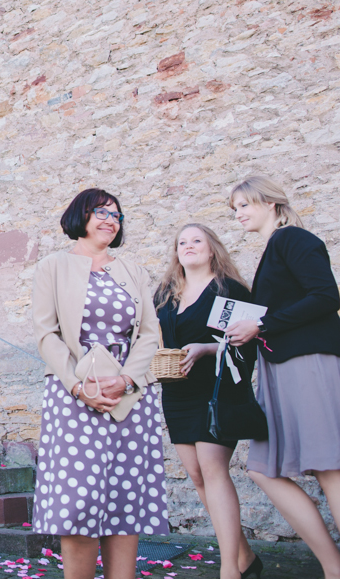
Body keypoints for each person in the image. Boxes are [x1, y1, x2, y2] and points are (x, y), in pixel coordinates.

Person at [32, 188, 168, 579]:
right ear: (81, 216)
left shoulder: (133, 271)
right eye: (101, 212)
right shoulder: (53, 266)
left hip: (129, 396)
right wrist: (78, 387)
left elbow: (148, 332)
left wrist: (126, 379)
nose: (110, 219)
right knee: (79, 502)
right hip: (73, 395)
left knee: (125, 499)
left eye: (117, 215)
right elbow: (46, 333)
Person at [226, 176, 340, 579]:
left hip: (308, 362)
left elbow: (327, 296)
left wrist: (264, 325)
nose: (238, 214)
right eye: (234, 208)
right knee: (262, 466)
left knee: (330, 466)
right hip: (278, 371)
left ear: (271, 203)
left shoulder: (293, 239)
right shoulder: (275, 247)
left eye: (245, 205)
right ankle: (333, 567)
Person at [154, 224, 260, 579]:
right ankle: (244, 556)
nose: (188, 246)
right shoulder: (167, 292)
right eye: (181, 241)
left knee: (214, 472)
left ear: (212, 248)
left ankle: (230, 569)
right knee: (198, 475)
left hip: (216, 390)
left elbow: (248, 345)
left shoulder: (229, 290)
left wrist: (206, 349)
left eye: (196, 240)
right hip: (177, 391)